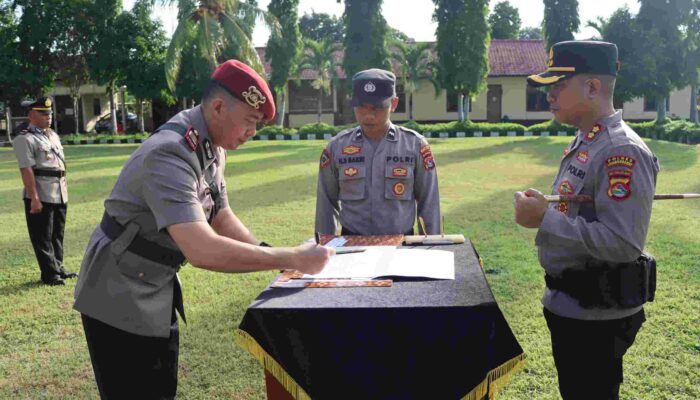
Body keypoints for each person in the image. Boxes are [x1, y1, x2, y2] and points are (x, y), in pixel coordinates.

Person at [73, 60, 333, 399]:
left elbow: (220, 215)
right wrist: (291, 257)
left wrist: (275, 255)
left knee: (160, 385)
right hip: (118, 288)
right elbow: (202, 249)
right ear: (219, 107)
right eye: (250, 121)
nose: (253, 132)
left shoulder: (212, 145)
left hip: (153, 281)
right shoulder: (170, 152)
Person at [514, 41, 660, 400]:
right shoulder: (589, 140)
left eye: (559, 86)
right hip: (573, 305)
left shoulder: (619, 149)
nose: (550, 95)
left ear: (593, 87)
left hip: (596, 315)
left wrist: (544, 218)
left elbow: (624, 243)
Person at [315, 68, 441, 236]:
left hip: (400, 246)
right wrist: (324, 246)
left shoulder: (415, 146)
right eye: (361, 106)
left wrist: (432, 247)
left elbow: (429, 204)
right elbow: (326, 205)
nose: (368, 115)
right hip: (352, 247)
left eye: (377, 107)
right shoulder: (336, 148)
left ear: (394, 104)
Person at [12, 97, 76, 286]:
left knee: (57, 233)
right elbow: (26, 170)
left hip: (59, 191)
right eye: (43, 113)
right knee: (42, 236)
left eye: (49, 113)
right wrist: (34, 198)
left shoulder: (52, 135)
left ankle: (58, 267)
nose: (48, 117)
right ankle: (49, 274)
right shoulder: (24, 139)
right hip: (41, 193)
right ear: (31, 115)